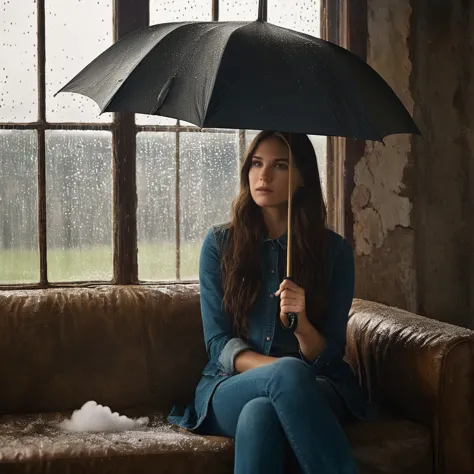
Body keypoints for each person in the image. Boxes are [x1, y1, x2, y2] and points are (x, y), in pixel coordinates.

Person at [168, 131, 372, 474]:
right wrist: (279, 369)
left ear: (303, 176)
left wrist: (302, 325)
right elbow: (218, 343)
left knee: (260, 414)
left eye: (280, 165)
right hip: (231, 384)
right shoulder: (220, 244)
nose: (263, 176)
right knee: (285, 375)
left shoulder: (334, 253)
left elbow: (330, 354)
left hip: (317, 387)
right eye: (256, 164)